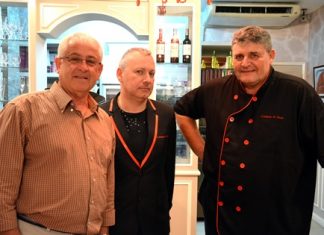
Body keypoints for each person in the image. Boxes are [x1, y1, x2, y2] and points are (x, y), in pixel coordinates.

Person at [174, 25, 324, 235]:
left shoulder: (298, 93)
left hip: (277, 213)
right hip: (222, 210)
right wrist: (204, 152)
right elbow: (181, 110)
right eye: (239, 56)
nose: (245, 63)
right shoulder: (215, 89)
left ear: (271, 55)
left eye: (254, 55)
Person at [0, 32, 115, 235]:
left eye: (91, 61)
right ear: (58, 63)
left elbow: (108, 183)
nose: (83, 67)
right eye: (74, 59)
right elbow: (3, 184)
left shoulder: (104, 121)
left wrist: (105, 227)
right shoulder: (22, 110)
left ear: (99, 70)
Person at [100, 48, 176, 235]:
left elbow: (168, 169)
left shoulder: (165, 114)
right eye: (139, 72)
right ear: (120, 74)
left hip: (155, 221)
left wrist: (164, 208)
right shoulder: (99, 115)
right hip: (115, 221)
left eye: (151, 73)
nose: (148, 79)